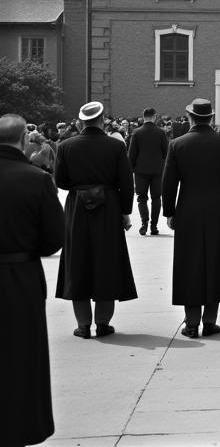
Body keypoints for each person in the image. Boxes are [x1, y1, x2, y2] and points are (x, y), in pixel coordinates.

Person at [0, 114, 65, 447]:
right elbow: (54, 238)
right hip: (20, 277)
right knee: (21, 357)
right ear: (24, 140)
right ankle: (19, 428)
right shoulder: (36, 179)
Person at [162, 98, 220, 338]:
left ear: (190, 117)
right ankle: (210, 322)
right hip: (218, 208)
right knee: (217, 260)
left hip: (188, 208)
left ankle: (191, 324)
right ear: (211, 118)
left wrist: (169, 211)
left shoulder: (177, 144)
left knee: (189, 262)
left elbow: (168, 183)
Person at [53, 101, 137, 338]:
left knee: (77, 262)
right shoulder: (115, 146)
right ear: (102, 121)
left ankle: (83, 325)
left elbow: (61, 181)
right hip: (108, 205)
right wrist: (125, 211)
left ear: (80, 122)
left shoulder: (66, 146)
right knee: (106, 261)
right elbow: (126, 183)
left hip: (78, 205)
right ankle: (102, 323)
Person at [128, 106, 170, 235]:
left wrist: (131, 171)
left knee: (141, 198)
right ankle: (154, 226)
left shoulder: (136, 132)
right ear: (154, 117)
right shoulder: (161, 132)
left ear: (143, 117)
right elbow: (166, 153)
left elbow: (132, 155)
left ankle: (144, 223)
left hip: (140, 171)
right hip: (158, 170)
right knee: (156, 198)